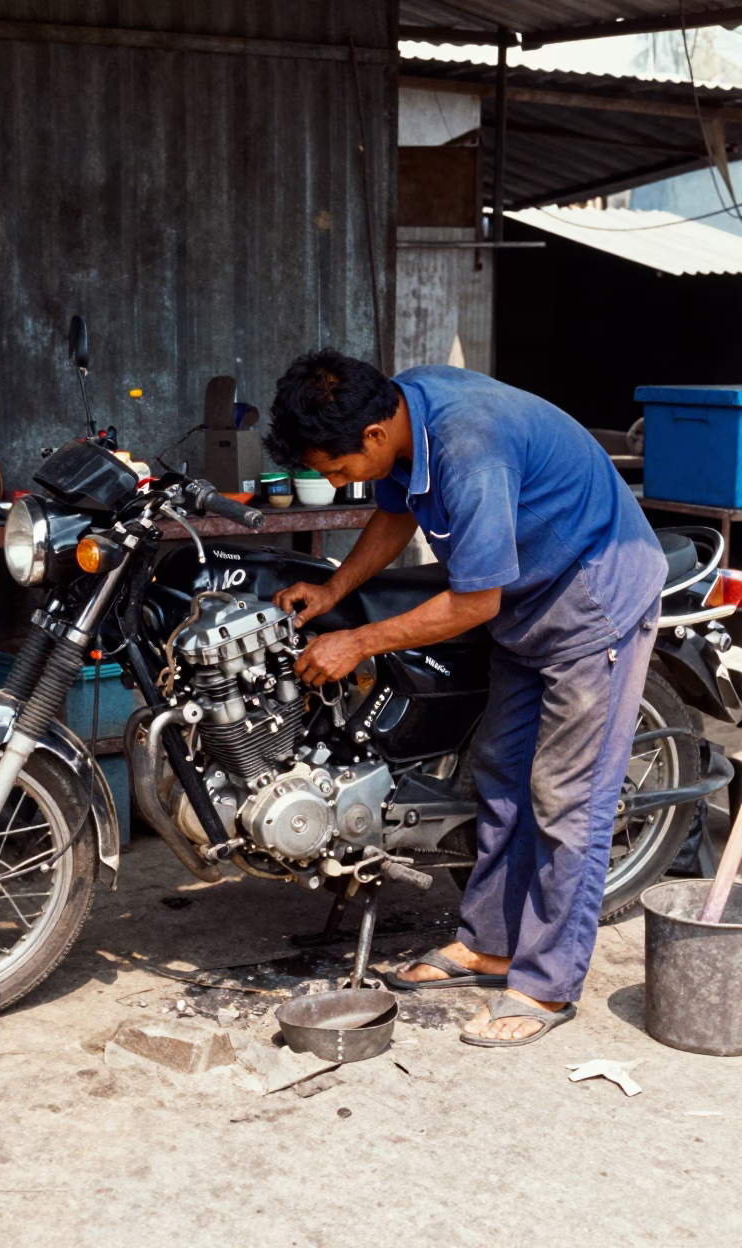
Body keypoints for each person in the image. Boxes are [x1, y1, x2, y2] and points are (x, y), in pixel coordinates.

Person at [265, 350, 666, 1048]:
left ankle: (547, 985)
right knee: (500, 776)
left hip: (592, 603)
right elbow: (395, 513)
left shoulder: (469, 449)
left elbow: (475, 601)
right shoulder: (403, 410)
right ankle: (490, 945)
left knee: (567, 800)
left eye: (337, 469)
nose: (334, 484)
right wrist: (333, 589)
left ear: (373, 435)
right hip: (527, 605)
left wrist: (357, 642)